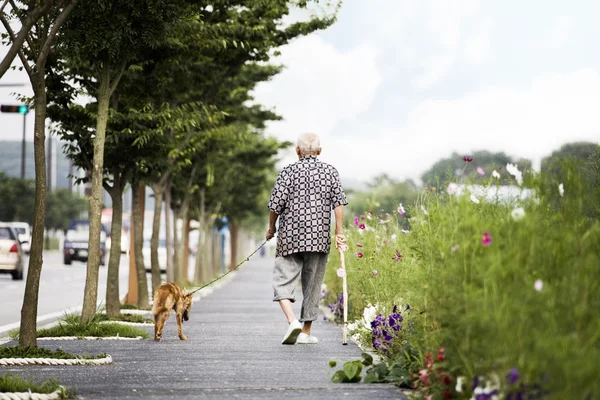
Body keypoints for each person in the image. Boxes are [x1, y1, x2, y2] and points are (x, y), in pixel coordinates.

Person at [266, 133, 347, 345]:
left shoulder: (288, 172)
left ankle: (292, 321)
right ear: (320, 151)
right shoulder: (330, 172)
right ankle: (305, 333)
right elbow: (338, 204)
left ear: (298, 151)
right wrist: (339, 232)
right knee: (312, 285)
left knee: (282, 280)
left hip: (290, 237)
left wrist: (270, 229)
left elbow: (275, 205)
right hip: (319, 237)